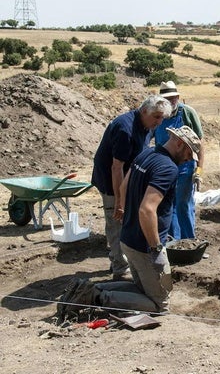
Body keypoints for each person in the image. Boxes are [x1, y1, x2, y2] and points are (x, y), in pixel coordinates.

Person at [57, 126, 201, 320]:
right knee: (159, 306)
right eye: (188, 153)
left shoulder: (147, 154)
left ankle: (90, 287)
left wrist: (126, 215)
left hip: (128, 239)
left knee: (141, 289)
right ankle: (95, 296)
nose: (188, 159)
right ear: (179, 143)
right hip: (144, 247)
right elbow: (147, 209)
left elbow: (124, 185)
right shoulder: (167, 168)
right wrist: (156, 249)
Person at [91, 95, 172, 281]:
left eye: (162, 118)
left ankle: (121, 259)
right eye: (157, 117)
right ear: (144, 111)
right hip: (110, 180)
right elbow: (116, 167)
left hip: (128, 178)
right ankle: (120, 269)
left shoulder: (148, 125)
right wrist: (120, 200)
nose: (159, 122)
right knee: (116, 221)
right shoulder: (124, 129)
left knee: (128, 219)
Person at [153, 81, 205, 240]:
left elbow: (200, 143)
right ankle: (172, 243)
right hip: (163, 168)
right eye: (165, 100)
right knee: (167, 206)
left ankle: (189, 242)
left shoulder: (187, 113)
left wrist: (199, 171)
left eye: (172, 98)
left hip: (185, 167)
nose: (169, 102)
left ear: (178, 97)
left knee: (183, 205)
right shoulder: (157, 116)